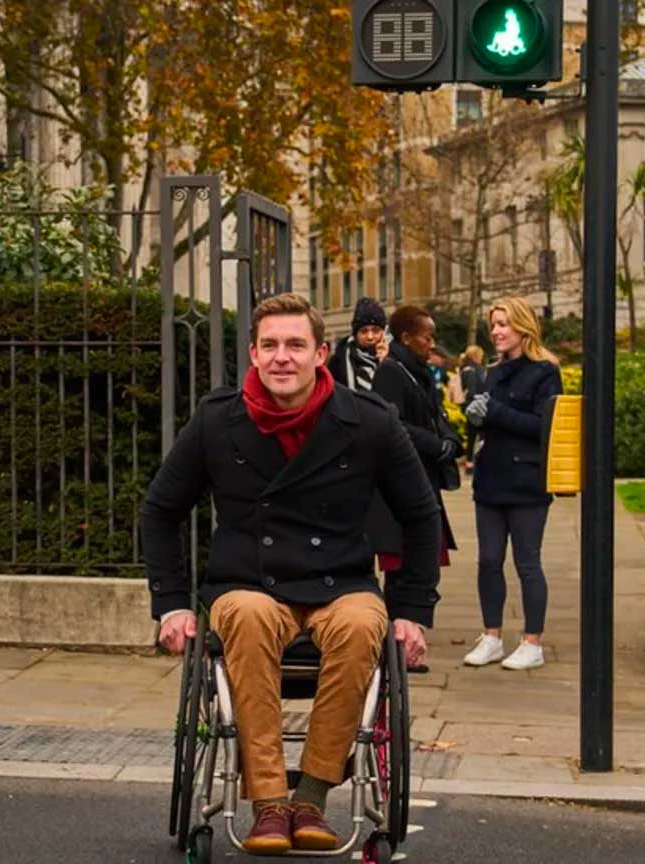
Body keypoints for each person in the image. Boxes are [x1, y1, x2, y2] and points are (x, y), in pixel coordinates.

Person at [141, 293, 441, 855]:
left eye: (296, 345)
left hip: (343, 583)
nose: (283, 357)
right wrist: (172, 603)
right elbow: (160, 511)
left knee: (359, 626)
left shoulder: (369, 422)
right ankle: (269, 805)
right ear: (254, 354)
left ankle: (312, 796)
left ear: (321, 354)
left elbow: (421, 515)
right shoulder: (215, 420)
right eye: (271, 345)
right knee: (250, 617)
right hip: (248, 584)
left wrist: (412, 612)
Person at [461, 296, 563, 672]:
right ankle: (491, 636)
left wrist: (496, 412)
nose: (497, 332)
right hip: (490, 479)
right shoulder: (492, 371)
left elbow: (544, 426)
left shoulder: (544, 372)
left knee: (527, 562)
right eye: (493, 325)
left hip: (526, 483)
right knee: (488, 561)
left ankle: (532, 642)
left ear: (523, 326)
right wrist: (474, 417)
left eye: (503, 324)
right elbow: (491, 421)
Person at [368, 306, 462, 660]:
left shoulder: (417, 371)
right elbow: (392, 424)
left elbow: (433, 415)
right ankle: (397, 645)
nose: (431, 342)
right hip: (399, 488)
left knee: (418, 567)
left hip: (422, 479)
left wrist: (449, 440)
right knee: (402, 571)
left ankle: (407, 641)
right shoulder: (392, 372)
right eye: (427, 336)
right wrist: (435, 444)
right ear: (407, 337)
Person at [328, 297, 388, 391]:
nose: (370, 337)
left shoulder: (395, 360)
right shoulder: (338, 362)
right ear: (355, 334)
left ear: (384, 333)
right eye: (364, 331)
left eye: (375, 331)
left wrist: (385, 362)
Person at [456, 345, 487, 471]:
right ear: (476, 355)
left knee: (472, 435)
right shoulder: (472, 370)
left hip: (471, 405)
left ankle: (470, 460)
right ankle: (471, 461)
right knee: (477, 434)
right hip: (476, 406)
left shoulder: (466, 368)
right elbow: (472, 389)